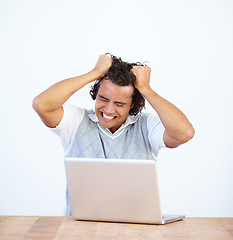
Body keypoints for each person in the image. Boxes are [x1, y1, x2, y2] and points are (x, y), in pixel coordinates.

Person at [33, 53, 195, 214]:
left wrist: (146, 89)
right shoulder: (76, 122)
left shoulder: (146, 126)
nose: (109, 110)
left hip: (137, 228)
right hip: (80, 228)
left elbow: (184, 133)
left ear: (132, 104)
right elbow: (41, 104)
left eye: (119, 103)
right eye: (103, 99)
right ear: (96, 94)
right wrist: (94, 74)